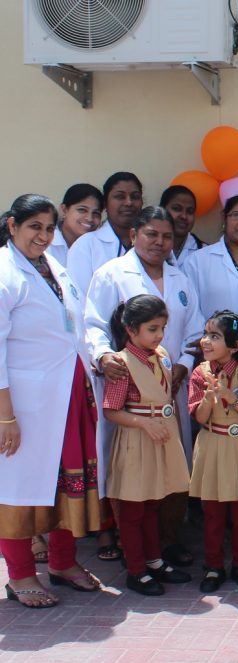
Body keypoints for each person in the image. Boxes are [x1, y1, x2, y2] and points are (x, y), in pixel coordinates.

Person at [83, 207, 204, 568]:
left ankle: (167, 541)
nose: (160, 243)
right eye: (151, 234)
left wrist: (183, 364)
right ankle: (132, 545)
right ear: (134, 234)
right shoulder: (112, 274)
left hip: (172, 386)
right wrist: (104, 357)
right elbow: (93, 324)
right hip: (127, 388)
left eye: (166, 236)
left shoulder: (180, 277)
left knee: (172, 464)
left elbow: (194, 332)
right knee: (132, 472)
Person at [0, 195, 103, 607]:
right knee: (19, 486)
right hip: (24, 403)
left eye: (48, 227)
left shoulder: (54, 267)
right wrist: (5, 415)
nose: (43, 236)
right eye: (33, 228)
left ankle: (61, 561)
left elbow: (77, 325)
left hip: (68, 397)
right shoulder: (5, 272)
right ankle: (21, 573)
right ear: (12, 227)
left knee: (65, 482)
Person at [101, 295, 192, 596]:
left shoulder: (161, 355)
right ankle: (136, 569)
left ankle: (154, 560)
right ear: (130, 330)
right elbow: (111, 410)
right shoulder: (121, 365)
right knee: (132, 508)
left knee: (154, 501)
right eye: (152, 329)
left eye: (162, 328)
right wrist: (144, 424)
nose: (159, 335)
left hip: (161, 435)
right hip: (137, 439)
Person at [187, 311, 238, 593]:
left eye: (215, 336)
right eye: (206, 334)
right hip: (212, 443)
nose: (205, 341)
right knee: (213, 512)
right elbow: (199, 418)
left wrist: (228, 395)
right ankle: (213, 565)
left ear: (234, 346)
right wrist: (210, 398)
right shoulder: (200, 372)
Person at [67, 172, 144, 293]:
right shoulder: (86, 245)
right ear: (105, 205)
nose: (129, 202)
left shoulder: (152, 244)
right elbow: (79, 301)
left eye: (135, 197)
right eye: (120, 197)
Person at [49, 184, 103, 267]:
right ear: (64, 210)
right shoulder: (47, 244)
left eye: (96, 213)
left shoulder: (101, 248)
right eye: (82, 210)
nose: (89, 218)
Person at [159, 185, 205, 265]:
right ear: (162, 210)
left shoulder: (205, 251)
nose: (184, 216)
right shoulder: (147, 247)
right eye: (176, 209)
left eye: (190, 211)